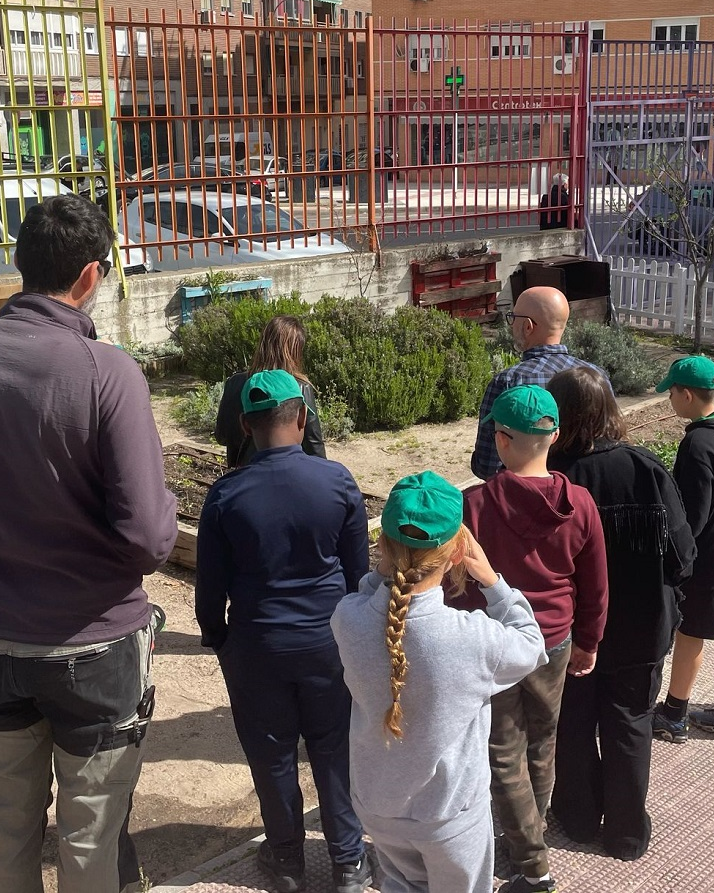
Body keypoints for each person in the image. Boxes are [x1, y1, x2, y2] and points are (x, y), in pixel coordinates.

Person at [0, 194, 178, 893]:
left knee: (8, 826)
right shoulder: (108, 372)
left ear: (21, 265)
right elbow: (147, 535)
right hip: (96, 647)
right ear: (90, 275)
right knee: (89, 841)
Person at [195, 369, 373, 893]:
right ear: (301, 417)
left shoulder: (226, 494)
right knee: (335, 747)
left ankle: (288, 863)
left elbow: (211, 587)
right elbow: (358, 574)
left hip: (257, 644)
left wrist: (219, 638)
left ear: (246, 427)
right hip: (328, 641)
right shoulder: (337, 480)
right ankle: (348, 862)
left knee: (271, 754)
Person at [331, 472, 546, 893]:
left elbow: (367, 594)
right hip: (449, 816)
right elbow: (532, 644)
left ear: (382, 546)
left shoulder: (347, 619)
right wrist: (493, 582)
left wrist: (384, 571)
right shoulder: (472, 638)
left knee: (399, 885)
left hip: (376, 806)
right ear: (457, 553)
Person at [459, 385, 607, 893]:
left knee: (502, 748)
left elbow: (460, 585)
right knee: (543, 741)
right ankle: (529, 833)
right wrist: (589, 639)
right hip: (555, 639)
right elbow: (595, 582)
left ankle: (529, 858)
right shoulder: (581, 502)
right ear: (556, 436)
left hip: (495, 641)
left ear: (500, 439)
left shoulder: (474, 504)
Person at [545, 365, 695, 861]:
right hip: (641, 627)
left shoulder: (552, 477)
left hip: (570, 631)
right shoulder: (646, 469)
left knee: (573, 723)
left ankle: (577, 816)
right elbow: (683, 556)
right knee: (630, 723)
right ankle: (627, 833)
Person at [652, 356, 714, 746]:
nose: (670, 399)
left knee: (691, 631)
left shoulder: (697, 442)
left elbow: (692, 513)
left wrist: (676, 556)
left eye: (672, 393)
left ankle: (674, 714)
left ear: (687, 395)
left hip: (711, 555)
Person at [471, 286, 603, 481]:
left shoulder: (508, 381)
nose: (510, 325)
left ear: (528, 326)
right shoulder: (596, 376)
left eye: (513, 318)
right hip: (585, 492)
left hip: (526, 498)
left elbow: (487, 465)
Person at [213, 315, 326, 468]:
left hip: (243, 474)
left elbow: (222, 437)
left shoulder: (235, 383)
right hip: (287, 474)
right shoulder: (300, 387)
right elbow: (314, 446)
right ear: (295, 351)